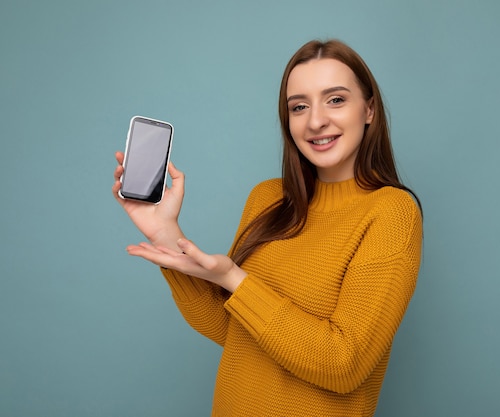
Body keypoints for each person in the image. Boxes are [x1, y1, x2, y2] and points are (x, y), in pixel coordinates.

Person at [112, 39, 422, 417]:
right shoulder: (268, 198)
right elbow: (233, 332)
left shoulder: (391, 212)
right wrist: (166, 236)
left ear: (369, 109)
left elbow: (345, 365)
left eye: (336, 100)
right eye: (299, 106)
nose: (315, 120)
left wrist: (235, 279)